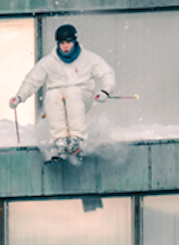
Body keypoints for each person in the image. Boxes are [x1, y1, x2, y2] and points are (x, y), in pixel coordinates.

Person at [11, 23, 117, 161]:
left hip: (82, 95)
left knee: (73, 91)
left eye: (68, 43)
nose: (65, 46)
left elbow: (107, 73)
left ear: (75, 42)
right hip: (58, 98)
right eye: (62, 43)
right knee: (52, 94)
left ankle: (77, 139)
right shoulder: (49, 62)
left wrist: (105, 91)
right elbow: (32, 80)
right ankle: (59, 140)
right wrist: (20, 97)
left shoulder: (89, 58)